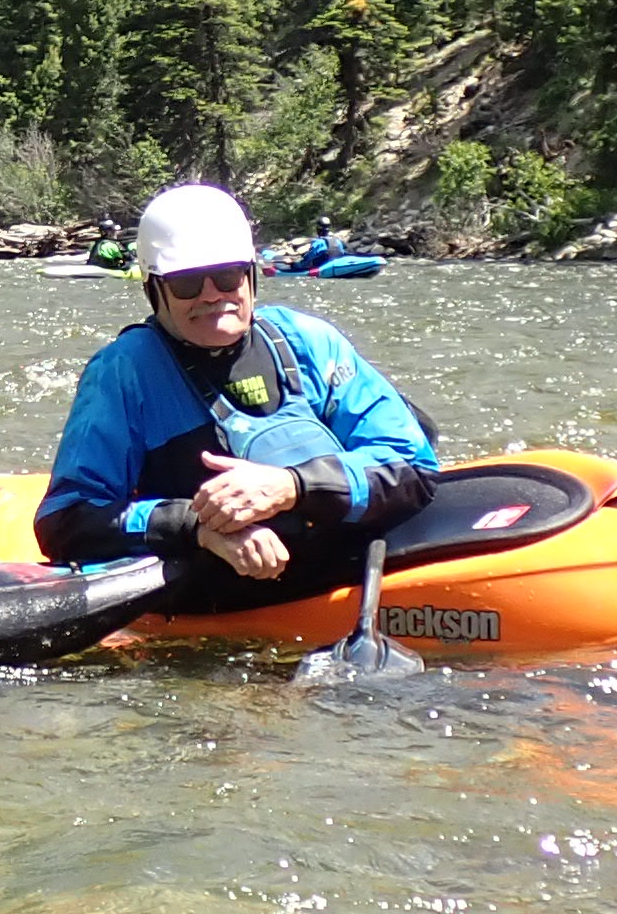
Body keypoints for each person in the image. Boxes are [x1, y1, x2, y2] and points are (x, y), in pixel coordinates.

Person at [36, 181, 436, 609]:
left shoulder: (308, 340)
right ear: (154, 289)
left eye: (227, 276)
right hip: (219, 592)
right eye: (187, 283)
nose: (212, 295)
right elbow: (66, 520)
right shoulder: (124, 372)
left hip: (342, 567)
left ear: (249, 276)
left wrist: (291, 486)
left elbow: (414, 467)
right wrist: (199, 527)